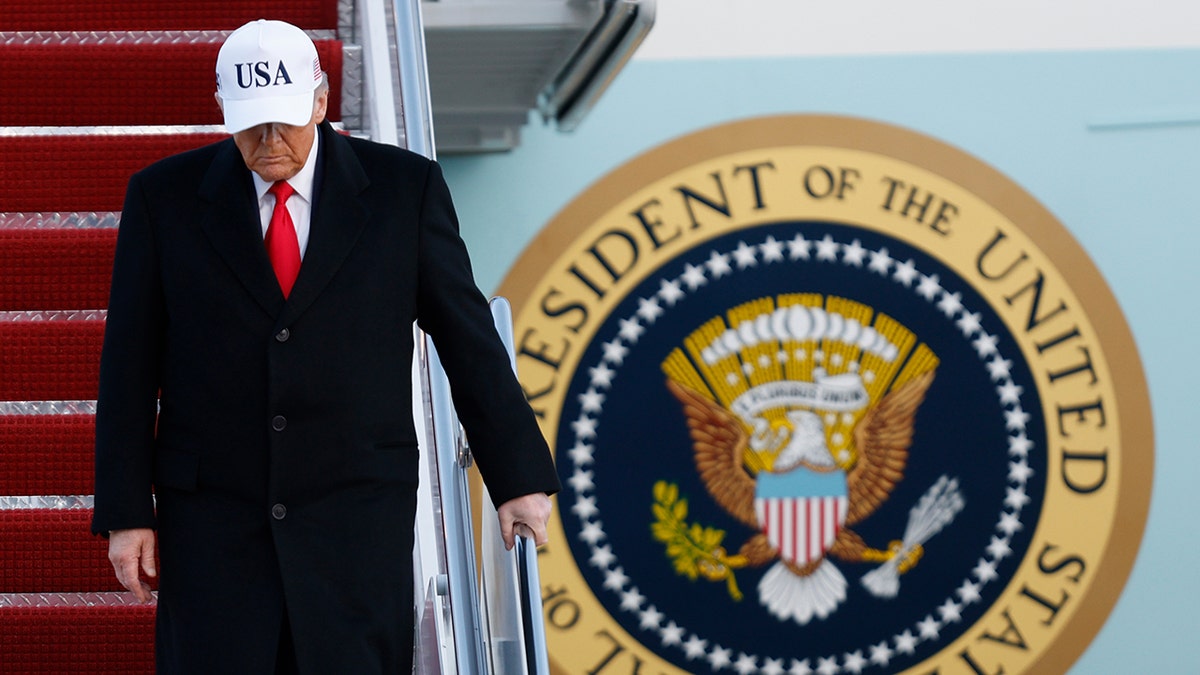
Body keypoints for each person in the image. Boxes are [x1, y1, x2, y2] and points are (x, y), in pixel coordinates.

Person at [90, 19, 560, 674]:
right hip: (215, 526)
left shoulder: (405, 190)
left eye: (284, 120)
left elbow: (468, 335)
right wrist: (125, 510)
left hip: (356, 520)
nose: (269, 140)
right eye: (252, 124)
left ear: (320, 100)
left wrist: (517, 475)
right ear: (224, 109)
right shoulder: (161, 198)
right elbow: (129, 366)